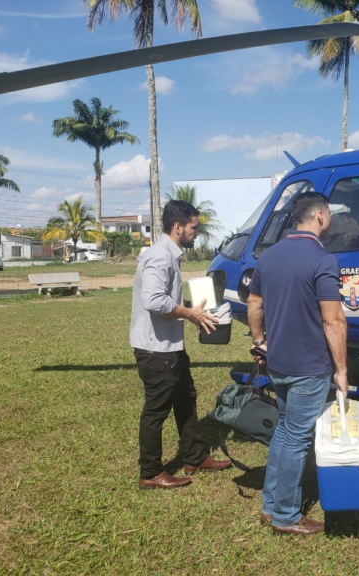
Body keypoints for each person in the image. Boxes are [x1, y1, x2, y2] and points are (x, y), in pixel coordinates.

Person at [247, 191, 348, 536]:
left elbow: (254, 304)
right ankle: (287, 517)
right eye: (330, 214)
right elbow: (333, 321)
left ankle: (270, 505)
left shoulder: (269, 256)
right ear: (320, 216)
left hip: (279, 363)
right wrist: (342, 370)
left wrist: (259, 341)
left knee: (286, 429)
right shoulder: (323, 260)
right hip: (309, 367)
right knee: (296, 438)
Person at [130, 200, 232, 489]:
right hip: (156, 349)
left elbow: (165, 298)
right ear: (178, 227)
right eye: (193, 227)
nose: (196, 233)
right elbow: (152, 300)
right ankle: (150, 472)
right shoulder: (160, 256)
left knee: (186, 399)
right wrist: (189, 314)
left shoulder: (170, 255)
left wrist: (191, 308)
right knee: (156, 411)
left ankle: (194, 456)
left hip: (170, 347)